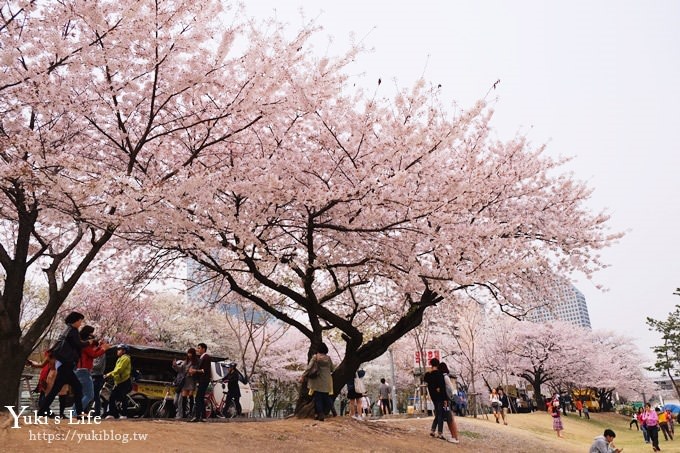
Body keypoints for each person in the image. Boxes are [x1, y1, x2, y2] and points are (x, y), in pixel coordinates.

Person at [37, 311, 94, 417]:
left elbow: (74, 345)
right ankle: (80, 413)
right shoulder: (73, 330)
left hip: (64, 365)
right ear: (76, 320)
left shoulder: (66, 330)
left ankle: (41, 411)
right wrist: (88, 343)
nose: (81, 323)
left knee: (58, 390)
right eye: (80, 320)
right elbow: (78, 344)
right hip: (67, 365)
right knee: (76, 388)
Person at [74, 325, 110, 413]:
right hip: (84, 371)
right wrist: (103, 349)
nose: (93, 338)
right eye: (91, 335)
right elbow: (93, 354)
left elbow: (92, 352)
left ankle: (74, 412)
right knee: (90, 395)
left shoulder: (81, 344)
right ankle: (76, 413)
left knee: (82, 394)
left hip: (80, 370)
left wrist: (100, 347)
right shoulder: (85, 345)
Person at [300, 342, 334, 421]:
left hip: (317, 380)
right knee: (326, 397)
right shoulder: (328, 358)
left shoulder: (315, 357)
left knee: (318, 398)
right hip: (327, 380)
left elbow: (309, 367)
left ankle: (320, 414)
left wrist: (303, 375)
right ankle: (333, 411)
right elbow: (332, 368)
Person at [104, 344, 132, 419]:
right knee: (112, 397)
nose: (118, 351)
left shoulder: (125, 358)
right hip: (119, 382)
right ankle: (111, 414)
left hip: (124, 381)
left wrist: (109, 374)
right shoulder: (120, 358)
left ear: (124, 351)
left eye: (119, 349)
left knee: (122, 397)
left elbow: (119, 369)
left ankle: (124, 414)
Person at [424, 357, 446, 440]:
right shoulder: (440, 375)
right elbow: (442, 387)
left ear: (431, 365)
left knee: (437, 413)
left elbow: (425, 378)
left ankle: (433, 430)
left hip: (433, 397)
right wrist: (445, 399)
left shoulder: (428, 375)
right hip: (440, 396)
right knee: (440, 414)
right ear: (438, 364)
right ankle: (440, 433)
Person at [172, 348, 197, 419]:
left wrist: (193, 372)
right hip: (185, 382)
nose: (189, 354)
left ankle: (190, 413)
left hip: (192, 381)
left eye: (190, 353)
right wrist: (175, 365)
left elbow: (196, 371)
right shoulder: (186, 361)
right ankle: (183, 414)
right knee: (182, 398)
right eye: (188, 353)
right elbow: (180, 369)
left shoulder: (196, 362)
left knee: (190, 397)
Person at [438, 362, 460, 444]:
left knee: (450, 418)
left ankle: (455, 437)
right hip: (447, 400)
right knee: (449, 418)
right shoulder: (445, 377)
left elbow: (451, 388)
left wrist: (449, 399)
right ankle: (454, 436)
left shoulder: (445, 377)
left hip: (447, 400)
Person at [189, 342, 211, 422]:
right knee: (200, 398)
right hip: (202, 380)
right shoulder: (202, 357)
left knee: (198, 398)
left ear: (203, 349)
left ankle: (198, 416)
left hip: (204, 380)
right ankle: (202, 416)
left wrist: (195, 371)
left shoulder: (206, 357)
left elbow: (204, 370)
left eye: (199, 348)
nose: (198, 349)